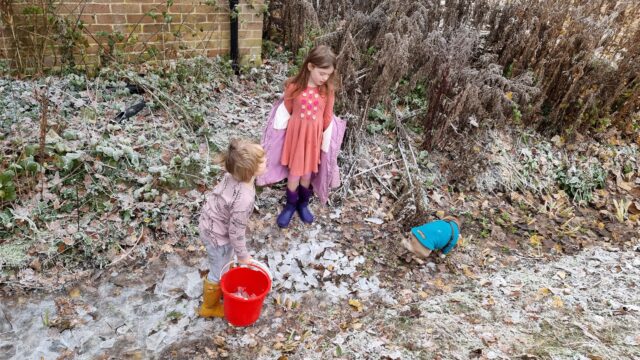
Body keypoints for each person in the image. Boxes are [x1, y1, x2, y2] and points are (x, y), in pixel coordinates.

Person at [257, 45, 346, 228]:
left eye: (328, 74)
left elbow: (327, 118)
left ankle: (303, 204)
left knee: (307, 174)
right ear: (310, 66)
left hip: (313, 140)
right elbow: (285, 113)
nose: (325, 78)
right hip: (296, 138)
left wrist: (326, 144)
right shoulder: (294, 87)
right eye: (322, 73)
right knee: (294, 173)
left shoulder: (327, 91)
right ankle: (290, 205)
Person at [197, 139, 266, 318]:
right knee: (218, 270)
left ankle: (220, 286)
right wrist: (243, 256)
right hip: (217, 236)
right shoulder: (244, 198)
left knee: (223, 262)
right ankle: (208, 307)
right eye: (262, 160)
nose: (266, 159)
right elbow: (236, 232)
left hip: (209, 223)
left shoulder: (232, 176)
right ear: (250, 170)